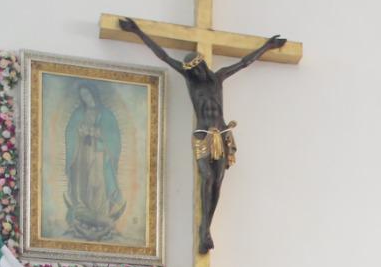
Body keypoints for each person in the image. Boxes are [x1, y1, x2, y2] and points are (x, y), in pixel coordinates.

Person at [117, 17, 287, 252]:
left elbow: (245, 62)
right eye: (190, 71)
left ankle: (207, 226)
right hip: (202, 136)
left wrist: (267, 46)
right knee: (206, 177)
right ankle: (204, 229)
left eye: (196, 69)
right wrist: (137, 31)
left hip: (222, 135)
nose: (194, 73)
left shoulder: (218, 78)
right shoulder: (190, 81)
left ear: (202, 66)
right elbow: (163, 56)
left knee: (216, 183)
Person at [63, 83, 126, 241]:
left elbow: (114, 138)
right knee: (83, 182)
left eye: (88, 95)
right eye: (83, 96)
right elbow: (70, 132)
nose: (86, 99)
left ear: (94, 95)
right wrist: (79, 132)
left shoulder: (107, 115)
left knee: (98, 183)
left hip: (100, 155)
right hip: (82, 154)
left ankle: (101, 214)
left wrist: (99, 134)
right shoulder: (78, 114)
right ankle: (83, 210)